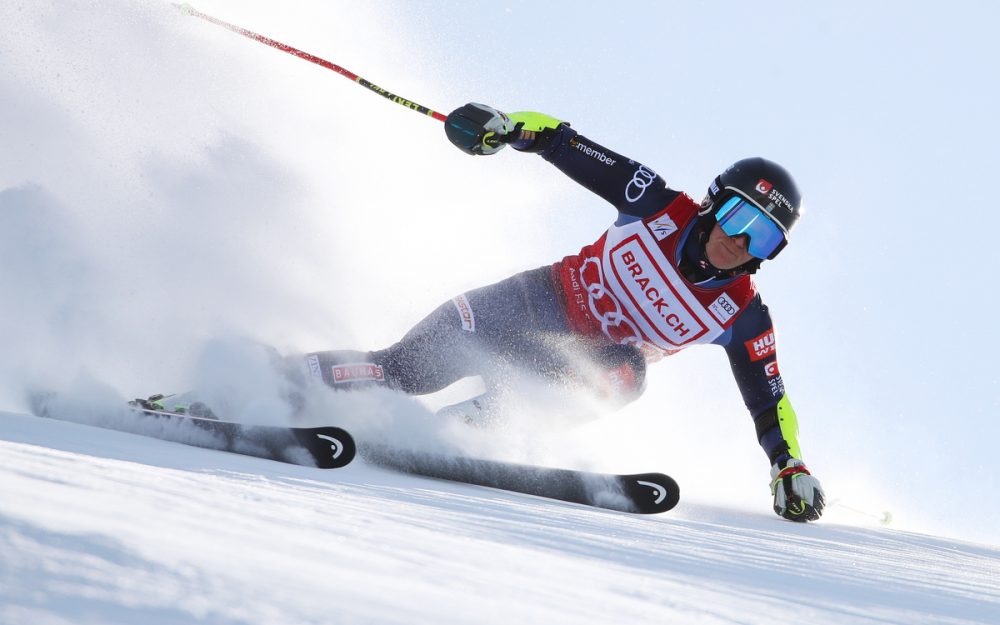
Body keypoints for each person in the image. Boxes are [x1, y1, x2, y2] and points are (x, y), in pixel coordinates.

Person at [309, 103, 825, 522]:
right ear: (714, 205)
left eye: (761, 237)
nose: (739, 242)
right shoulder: (653, 202)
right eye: (738, 217)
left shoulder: (741, 315)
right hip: (527, 305)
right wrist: (507, 128)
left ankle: (467, 430)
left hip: (572, 363)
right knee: (404, 370)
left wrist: (789, 466)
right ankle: (292, 376)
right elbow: (561, 141)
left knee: (627, 373)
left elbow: (769, 402)